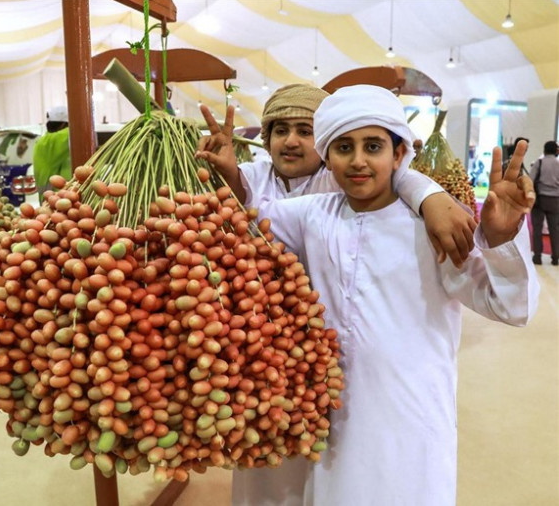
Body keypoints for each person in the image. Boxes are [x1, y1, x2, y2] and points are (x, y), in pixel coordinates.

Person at [246, 85, 539, 506]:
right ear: (327, 157)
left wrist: (499, 237)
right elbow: (242, 220)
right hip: (337, 419)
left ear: (399, 155)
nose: (359, 160)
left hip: (412, 420)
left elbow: (512, 306)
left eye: (374, 146)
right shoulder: (312, 215)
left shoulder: (432, 227)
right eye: (344, 146)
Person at [196, 84, 476, 268]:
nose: (291, 142)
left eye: (305, 132)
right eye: (281, 131)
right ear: (268, 140)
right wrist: (228, 173)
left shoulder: (342, 179)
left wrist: (431, 197)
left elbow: (398, 178)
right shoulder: (251, 174)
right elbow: (240, 201)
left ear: (326, 147)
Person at [33, 105, 72, 203]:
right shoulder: (49, 143)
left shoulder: (45, 143)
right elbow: (77, 130)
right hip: (55, 202)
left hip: (55, 201)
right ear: (63, 125)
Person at [529, 140, 559, 265]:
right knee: (555, 229)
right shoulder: (558, 164)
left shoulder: (539, 163)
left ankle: (537, 256)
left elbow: (530, 179)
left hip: (540, 200)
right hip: (555, 200)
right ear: (556, 151)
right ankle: (555, 257)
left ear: (545, 150)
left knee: (537, 228)